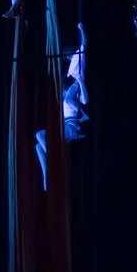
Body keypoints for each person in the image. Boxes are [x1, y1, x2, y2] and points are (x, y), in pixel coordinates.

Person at [35, 24, 88, 189]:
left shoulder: (78, 60)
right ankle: (46, 176)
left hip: (71, 125)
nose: (66, 59)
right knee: (38, 144)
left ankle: (54, 157)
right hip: (65, 123)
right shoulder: (70, 77)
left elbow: (84, 45)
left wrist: (81, 29)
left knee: (39, 135)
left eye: (66, 56)